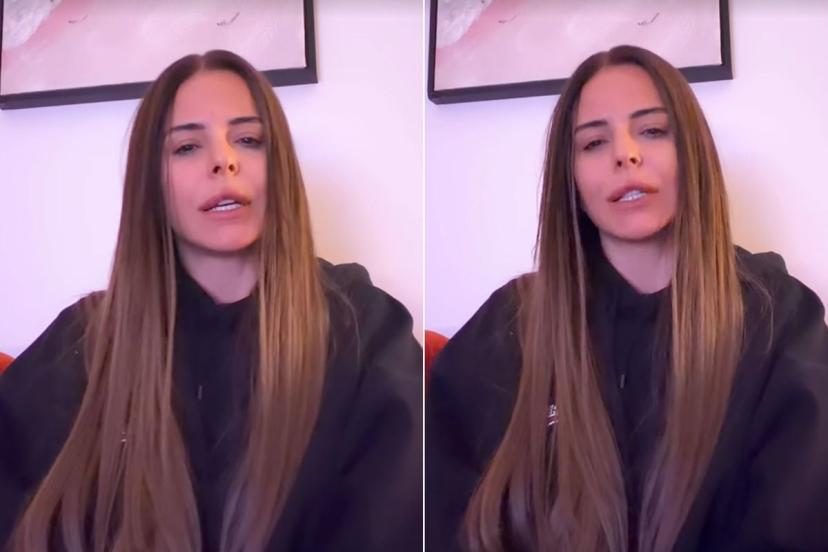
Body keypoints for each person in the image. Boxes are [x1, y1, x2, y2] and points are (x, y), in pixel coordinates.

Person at [0, 50, 421, 552]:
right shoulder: (82, 344)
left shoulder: (364, 331)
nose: (224, 160)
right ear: (150, 183)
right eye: (186, 147)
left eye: (248, 140)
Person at [426, 45, 828, 551]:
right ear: (570, 180)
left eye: (653, 131)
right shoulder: (509, 328)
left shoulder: (778, 322)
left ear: (692, 153)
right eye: (594, 143)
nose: (625, 153)